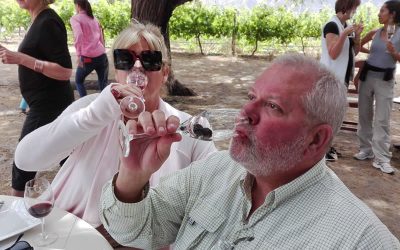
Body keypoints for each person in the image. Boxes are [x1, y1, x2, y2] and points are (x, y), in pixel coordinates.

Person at [99, 54, 400, 249]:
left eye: (272, 106)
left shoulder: (360, 240)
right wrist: (132, 178)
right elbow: (135, 231)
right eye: (251, 97)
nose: (245, 112)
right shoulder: (214, 170)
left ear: (316, 140)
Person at [14, 22, 217, 247]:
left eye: (150, 60)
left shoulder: (187, 127)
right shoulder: (92, 109)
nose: (137, 68)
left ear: (165, 71)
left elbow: (218, 191)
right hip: (73, 233)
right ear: (117, 71)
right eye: (125, 59)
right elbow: (26, 158)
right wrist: (98, 112)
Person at [0, 0, 74, 197]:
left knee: (23, 158)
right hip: (44, 103)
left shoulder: (48, 22)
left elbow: (65, 71)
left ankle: (16, 213)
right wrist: (10, 54)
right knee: (68, 156)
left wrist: (20, 58)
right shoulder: (38, 20)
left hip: (49, 105)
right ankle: (77, 200)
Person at [353, 0, 400, 175]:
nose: (379, 14)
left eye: (382, 11)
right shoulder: (375, 32)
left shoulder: (399, 34)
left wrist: (394, 53)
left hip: (385, 79)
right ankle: (366, 149)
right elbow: (357, 49)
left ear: (392, 14)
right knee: (364, 114)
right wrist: (358, 37)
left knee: (382, 119)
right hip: (367, 77)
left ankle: (382, 158)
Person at [320, 0, 363, 161]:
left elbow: (354, 52)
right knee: (328, 116)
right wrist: (345, 34)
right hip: (331, 79)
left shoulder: (345, 25)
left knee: (335, 116)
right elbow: (333, 53)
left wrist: (357, 36)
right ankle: (322, 151)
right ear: (346, 8)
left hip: (341, 79)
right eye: (354, 8)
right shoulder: (332, 25)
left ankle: (327, 147)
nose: (355, 12)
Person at [70, 0, 109, 97]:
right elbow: (101, 36)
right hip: (102, 56)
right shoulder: (94, 18)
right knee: (103, 83)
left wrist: (79, 55)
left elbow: (78, 35)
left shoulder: (75, 19)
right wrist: (102, 49)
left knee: (79, 81)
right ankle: (103, 105)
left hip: (87, 58)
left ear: (78, 5)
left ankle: (85, 104)